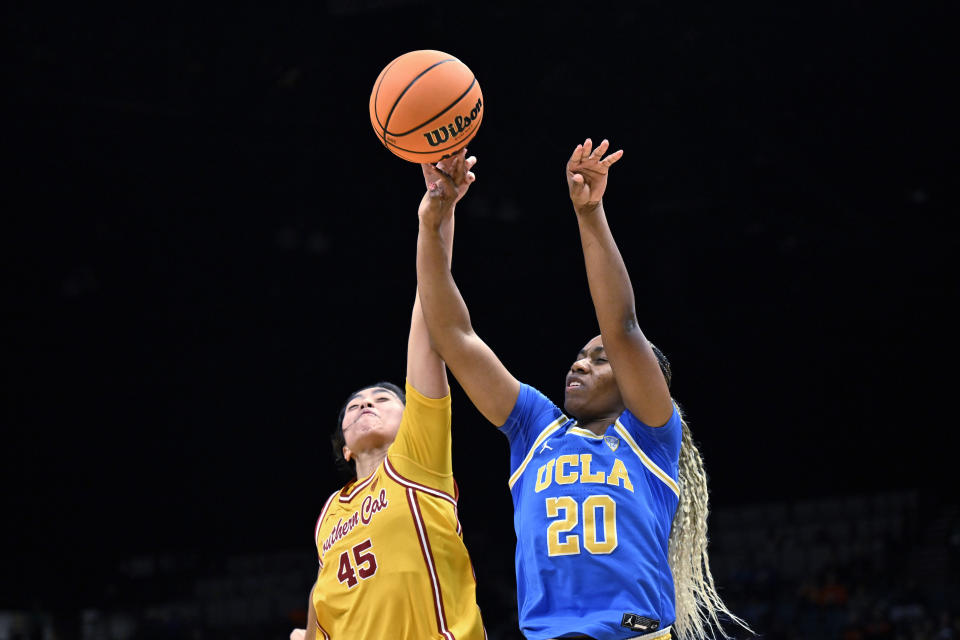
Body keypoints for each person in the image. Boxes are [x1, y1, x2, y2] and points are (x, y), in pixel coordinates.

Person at [416, 141, 750, 639]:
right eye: (580, 355)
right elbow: (454, 337)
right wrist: (434, 221)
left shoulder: (651, 436)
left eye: (599, 359)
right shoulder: (536, 431)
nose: (580, 362)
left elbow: (622, 326)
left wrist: (590, 213)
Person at [290, 151, 485, 640]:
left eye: (381, 398)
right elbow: (325, 605)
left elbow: (428, 322)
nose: (364, 404)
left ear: (411, 420)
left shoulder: (416, 462)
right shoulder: (327, 519)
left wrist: (437, 217)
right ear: (345, 447)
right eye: (354, 406)